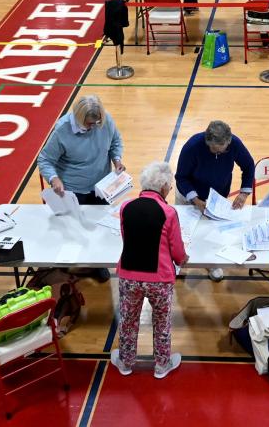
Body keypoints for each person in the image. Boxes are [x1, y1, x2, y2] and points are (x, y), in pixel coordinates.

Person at [110, 161, 188, 379]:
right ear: (163, 188)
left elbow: (128, 239)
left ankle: (125, 363)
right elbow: (177, 252)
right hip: (159, 279)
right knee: (161, 322)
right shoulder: (169, 212)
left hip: (129, 276)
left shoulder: (126, 207)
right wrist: (184, 259)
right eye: (169, 187)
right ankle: (162, 366)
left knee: (128, 320)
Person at [175, 120, 256, 282]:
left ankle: (211, 262)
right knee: (184, 232)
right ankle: (178, 262)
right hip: (189, 195)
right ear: (207, 142)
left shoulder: (235, 144)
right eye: (212, 149)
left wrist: (244, 193)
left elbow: (248, 166)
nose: (216, 152)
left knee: (210, 231)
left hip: (217, 197)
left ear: (228, 141)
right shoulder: (192, 146)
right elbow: (181, 177)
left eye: (221, 150)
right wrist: (195, 200)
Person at [37, 94, 125, 205]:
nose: (94, 127)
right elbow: (45, 160)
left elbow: (115, 142)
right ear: (78, 117)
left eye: (97, 122)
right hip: (73, 191)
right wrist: (54, 179)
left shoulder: (104, 120)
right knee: (73, 222)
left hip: (102, 186)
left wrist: (117, 160)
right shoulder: (62, 130)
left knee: (101, 220)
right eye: (89, 123)